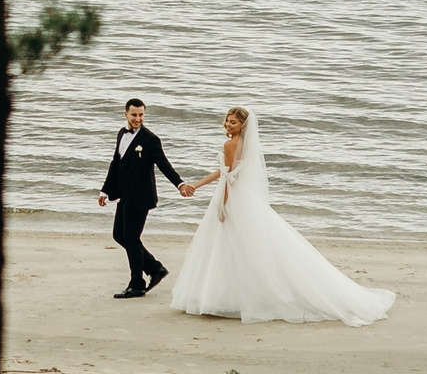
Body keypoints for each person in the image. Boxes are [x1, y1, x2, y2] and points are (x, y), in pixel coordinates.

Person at [171, 106, 395, 326]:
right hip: (244, 199)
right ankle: (234, 296)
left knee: (229, 245)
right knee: (241, 246)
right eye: (227, 121)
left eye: (234, 122)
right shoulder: (246, 145)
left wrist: (223, 204)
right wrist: (197, 185)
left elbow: (229, 178)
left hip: (232, 199)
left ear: (243, 125)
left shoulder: (230, 144)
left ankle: (227, 297)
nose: (228, 125)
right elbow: (226, 172)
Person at [97, 97, 182, 298]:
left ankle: (137, 283)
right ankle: (154, 268)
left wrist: (179, 184)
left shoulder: (150, 139)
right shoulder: (121, 133)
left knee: (132, 238)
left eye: (141, 115)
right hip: (124, 194)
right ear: (126, 114)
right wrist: (105, 190)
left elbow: (163, 164)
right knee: (119, 235)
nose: (138, 118)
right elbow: (116, 164)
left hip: (141, 196)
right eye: (134, 114)